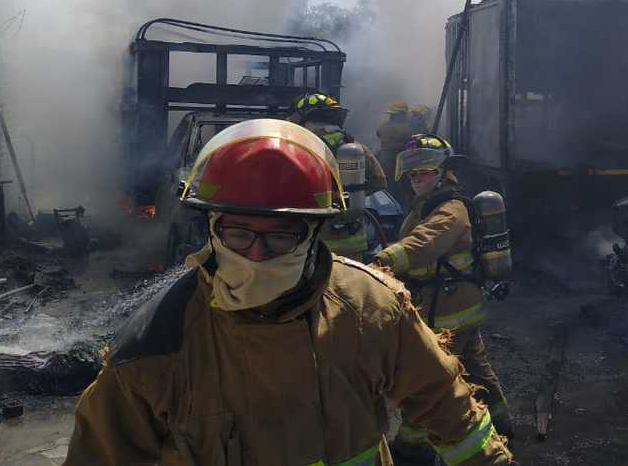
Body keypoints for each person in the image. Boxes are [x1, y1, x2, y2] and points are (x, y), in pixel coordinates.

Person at [64, 119, 512, 466]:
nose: (257, 254)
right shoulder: (155, 345)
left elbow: (449, 410)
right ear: (211, 227)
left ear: (316, 232)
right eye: (238, 233)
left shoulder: (371, 308)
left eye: (282, 236)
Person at [373, 134, 513, 440]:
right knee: (476, 368)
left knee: (427, 380)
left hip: (449, 309)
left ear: (443, 173)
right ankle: (501, 423)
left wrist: (382, 262)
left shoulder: (451, 208)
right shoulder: (426, 204)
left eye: (425, 172)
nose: (417, 179)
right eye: (413, 173)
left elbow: (425, 243)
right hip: (452, 305)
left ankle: (414, 447)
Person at [289, 92, 387, 261]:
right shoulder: (355, 147)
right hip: (353, 238)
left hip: (315, 240)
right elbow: (379, 181)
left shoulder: (304, 149)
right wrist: (351, 198)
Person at [377, 100, 413, 182]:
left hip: (385, 160)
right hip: (396, 162)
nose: (405, 116)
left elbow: (378, 133)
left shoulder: (383, 125)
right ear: (400, 114)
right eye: (404, 114)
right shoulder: (404, 127)